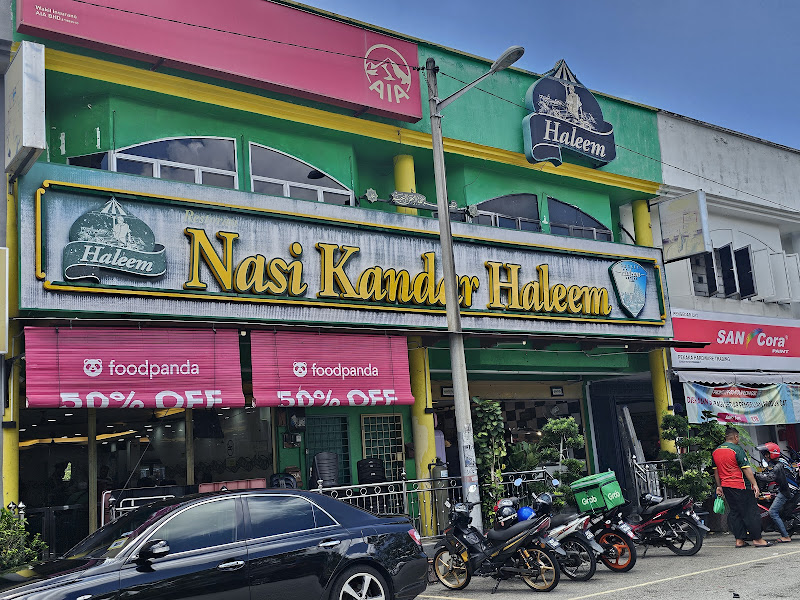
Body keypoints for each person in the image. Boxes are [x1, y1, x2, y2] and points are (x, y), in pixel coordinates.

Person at [713, 427, 772, 548]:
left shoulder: (716, 451)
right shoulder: (736, 449)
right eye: (738, 437)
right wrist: (754, 484)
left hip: (726, 486)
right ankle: (757, 539)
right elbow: (746, 469)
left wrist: (719, 487)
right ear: (735, 437)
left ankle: (739, 540)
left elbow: (716, 472)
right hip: (741, 485)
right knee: (751, 512)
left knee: (735, 513)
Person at [760, 442, 798, 543]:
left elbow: (770, 477)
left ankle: (785, 536)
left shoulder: (777, 466)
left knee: (772, 512)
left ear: (771, 454)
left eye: (766, 454)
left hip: (787, 491)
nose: (765, 456)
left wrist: (756, 476)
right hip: (791, 489)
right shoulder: (782, 460)